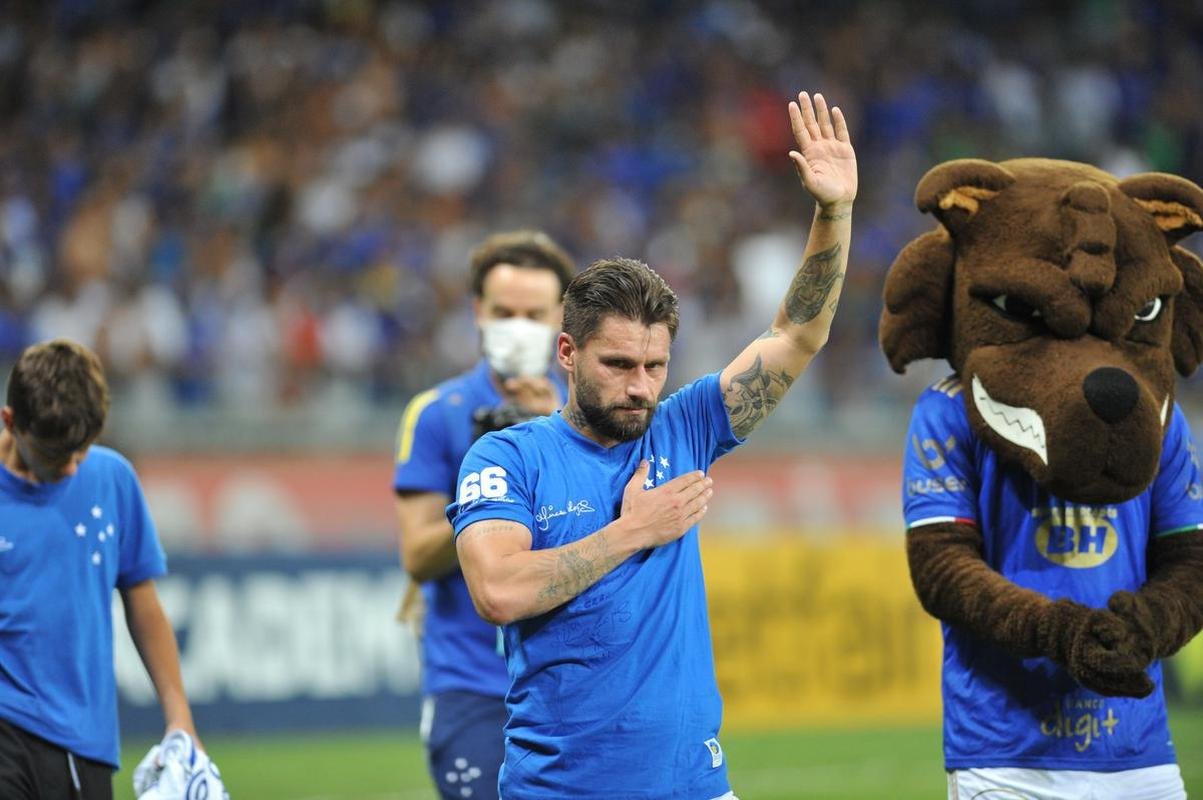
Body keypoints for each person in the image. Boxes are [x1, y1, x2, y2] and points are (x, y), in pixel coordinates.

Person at [448, 91, 856, 799]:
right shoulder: (506, 459)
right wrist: (632, 531)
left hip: (697, 785)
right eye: (618, 366)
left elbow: (795, 334)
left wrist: (832, 213)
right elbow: (498, 591)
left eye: (654, 366)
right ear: (568, 352)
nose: (640, 387)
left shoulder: (684, 426)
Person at [392, 230, 576, 800]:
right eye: (503, 312)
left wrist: (556, 439)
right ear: (477, 311)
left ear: (561, 318)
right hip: (471, 683)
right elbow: (418, 557)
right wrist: (480, 506)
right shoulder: (435, 414)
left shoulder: (588, 415)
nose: (518, 326)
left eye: (533, 313)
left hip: (569, 676)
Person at [0, 339, 206, 799]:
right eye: (56, 455)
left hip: (82, 742)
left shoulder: (112, 479)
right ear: (10, 422)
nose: (73, 468)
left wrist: (180, 719)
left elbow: (144, 605)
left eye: (82, 451)